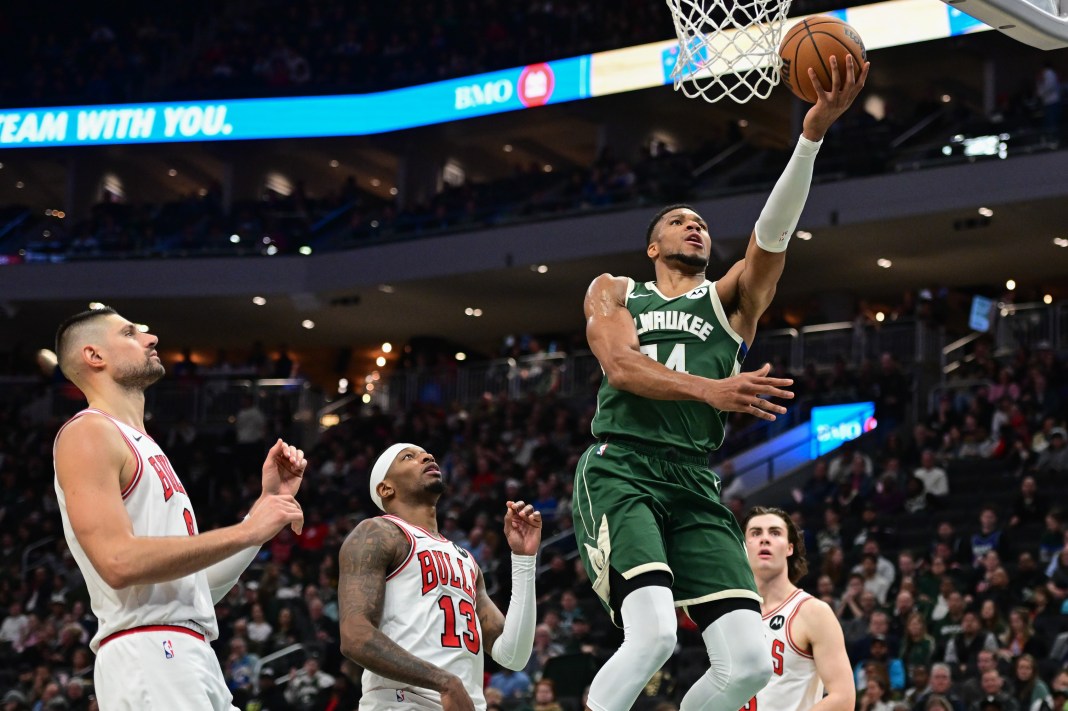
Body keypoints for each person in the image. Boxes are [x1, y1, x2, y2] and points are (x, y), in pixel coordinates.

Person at [574, 54, 869, 711]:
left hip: (693, 478)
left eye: (701, 223)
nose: (696, 225)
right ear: (653, 246)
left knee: (745, 665)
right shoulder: (616, 289)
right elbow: (620, 366)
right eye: (679, 221)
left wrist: (812, 133)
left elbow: (774, 234)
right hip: (622, 466)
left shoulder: (731, 300)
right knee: (650, 634)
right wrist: (711, 391)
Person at [51, 306, 308, 710]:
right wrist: (249, 530)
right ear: (94, 356)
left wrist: (263, 511)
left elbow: (195, 589)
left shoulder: (145, 444)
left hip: (188, 652)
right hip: (150, 652)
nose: (151, 338)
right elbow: (117, 561)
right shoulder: (88, 432)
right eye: (131, 333)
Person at [339, 443, 541, 710]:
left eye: (427, 454)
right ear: (386, 488)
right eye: (408, 457)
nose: (426, 456)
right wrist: (443, 682)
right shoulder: (377, 532)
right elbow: (355, 636)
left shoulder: (466, 560)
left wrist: (524, 559)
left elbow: (513, 655)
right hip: (402, 703)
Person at [741, 507, 855, 711]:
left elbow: (843, 698)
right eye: (756, 533)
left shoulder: (812, 612)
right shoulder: (734, 615)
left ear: (789, 548)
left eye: (775, 533)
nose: (764, 539)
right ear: (743, 547)